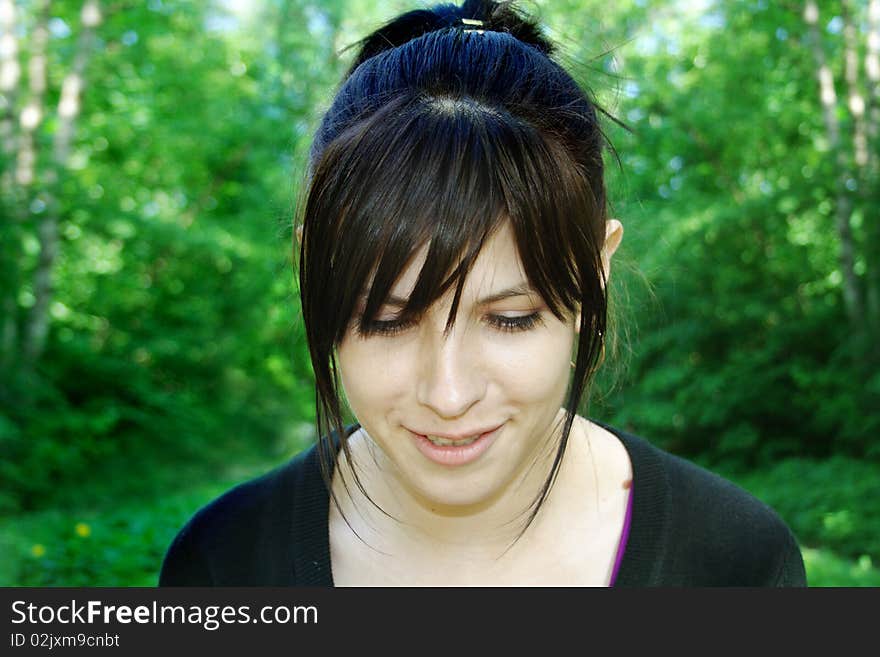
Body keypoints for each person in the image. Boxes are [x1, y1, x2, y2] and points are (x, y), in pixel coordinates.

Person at [159, 0, 806, 587]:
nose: (449, 394)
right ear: (313, 270)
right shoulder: (223, 565)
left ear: (595, 269)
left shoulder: (736, 562)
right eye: (386, 319)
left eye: (512, 319)